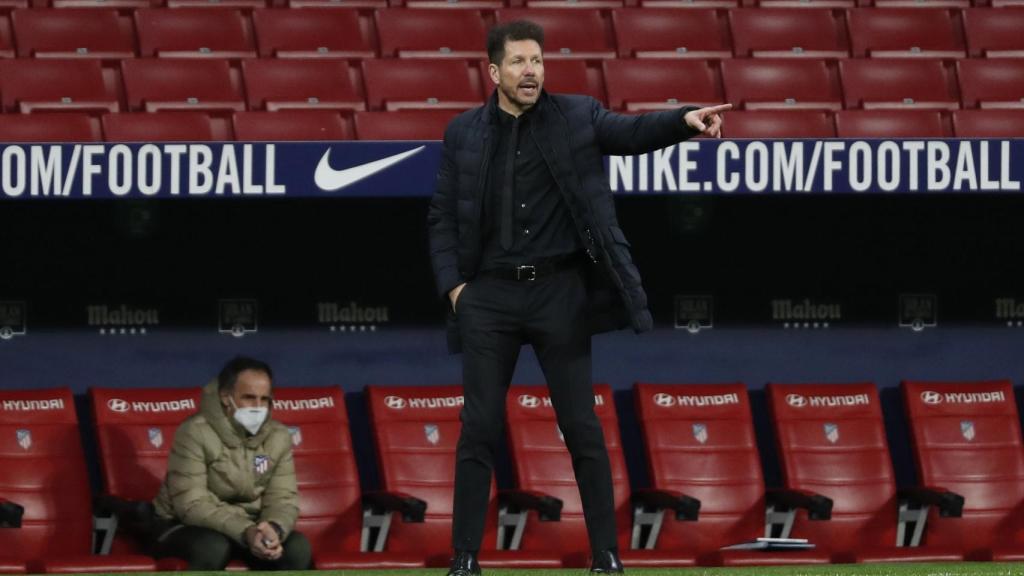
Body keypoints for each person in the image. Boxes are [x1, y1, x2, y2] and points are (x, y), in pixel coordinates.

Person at [427, 19, 730, 576]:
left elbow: (631, 134)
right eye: (518, 62)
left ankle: (607, 557)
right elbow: (442, 217)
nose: (531, 71)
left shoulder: (576, 116)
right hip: (488, 296)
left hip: (559, 293)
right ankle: (465, 559)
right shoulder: (463, 133)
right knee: (479, 428)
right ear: (494, 72)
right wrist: (457, 291)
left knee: (582, 428)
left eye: (537, 60)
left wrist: (683, 122)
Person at [150, 356, 311, 570]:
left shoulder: (278, 436)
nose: (258, 407)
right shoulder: (194, 431)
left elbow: (283, 498)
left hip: (249, 528)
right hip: (183, 526)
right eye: (249, 397)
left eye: (264, 399)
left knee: (296, 548)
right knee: (212, 547)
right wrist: (246, 531)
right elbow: (191, 505)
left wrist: (273, 528)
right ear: (226, 397)